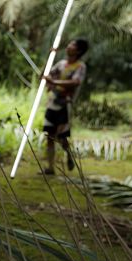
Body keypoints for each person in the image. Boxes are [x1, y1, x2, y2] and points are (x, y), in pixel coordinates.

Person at [42, 38, 89, 175]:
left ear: (78, 50)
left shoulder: (80, 67)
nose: (69, 46)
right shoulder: (61, 64)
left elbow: (75, 82)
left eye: (73, 45)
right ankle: (50, 167)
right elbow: (45, 76)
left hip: (65, 105)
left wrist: (54, 82)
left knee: (61, 136)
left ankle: (69, 154)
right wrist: (49, 57)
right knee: (50, 135)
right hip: (52, 104)